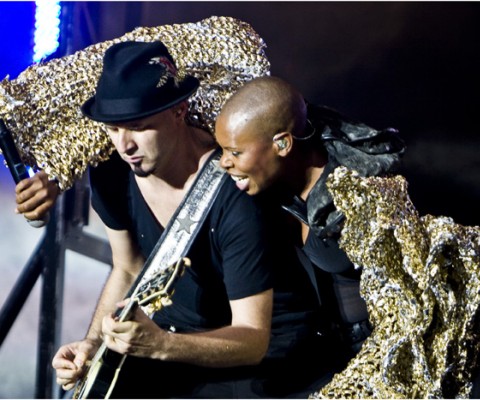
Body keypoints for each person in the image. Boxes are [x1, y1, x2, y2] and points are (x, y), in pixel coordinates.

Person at [45, 41, 333, 399]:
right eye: (113, 129)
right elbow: (128, 268)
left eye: (138, 127)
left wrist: (162, 345)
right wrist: (93, 345)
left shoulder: (233, 193)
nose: (124, 145)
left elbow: (252, 338)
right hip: (171, 338)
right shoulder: (110, 174)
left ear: (179, 111)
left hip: (261, 351)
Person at [215, 75, 405, 356]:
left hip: (381, 354)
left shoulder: (359, 196)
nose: (223, 162)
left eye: (235, 152)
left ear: (282, 144)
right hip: (320, 351)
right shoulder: (272, 181)